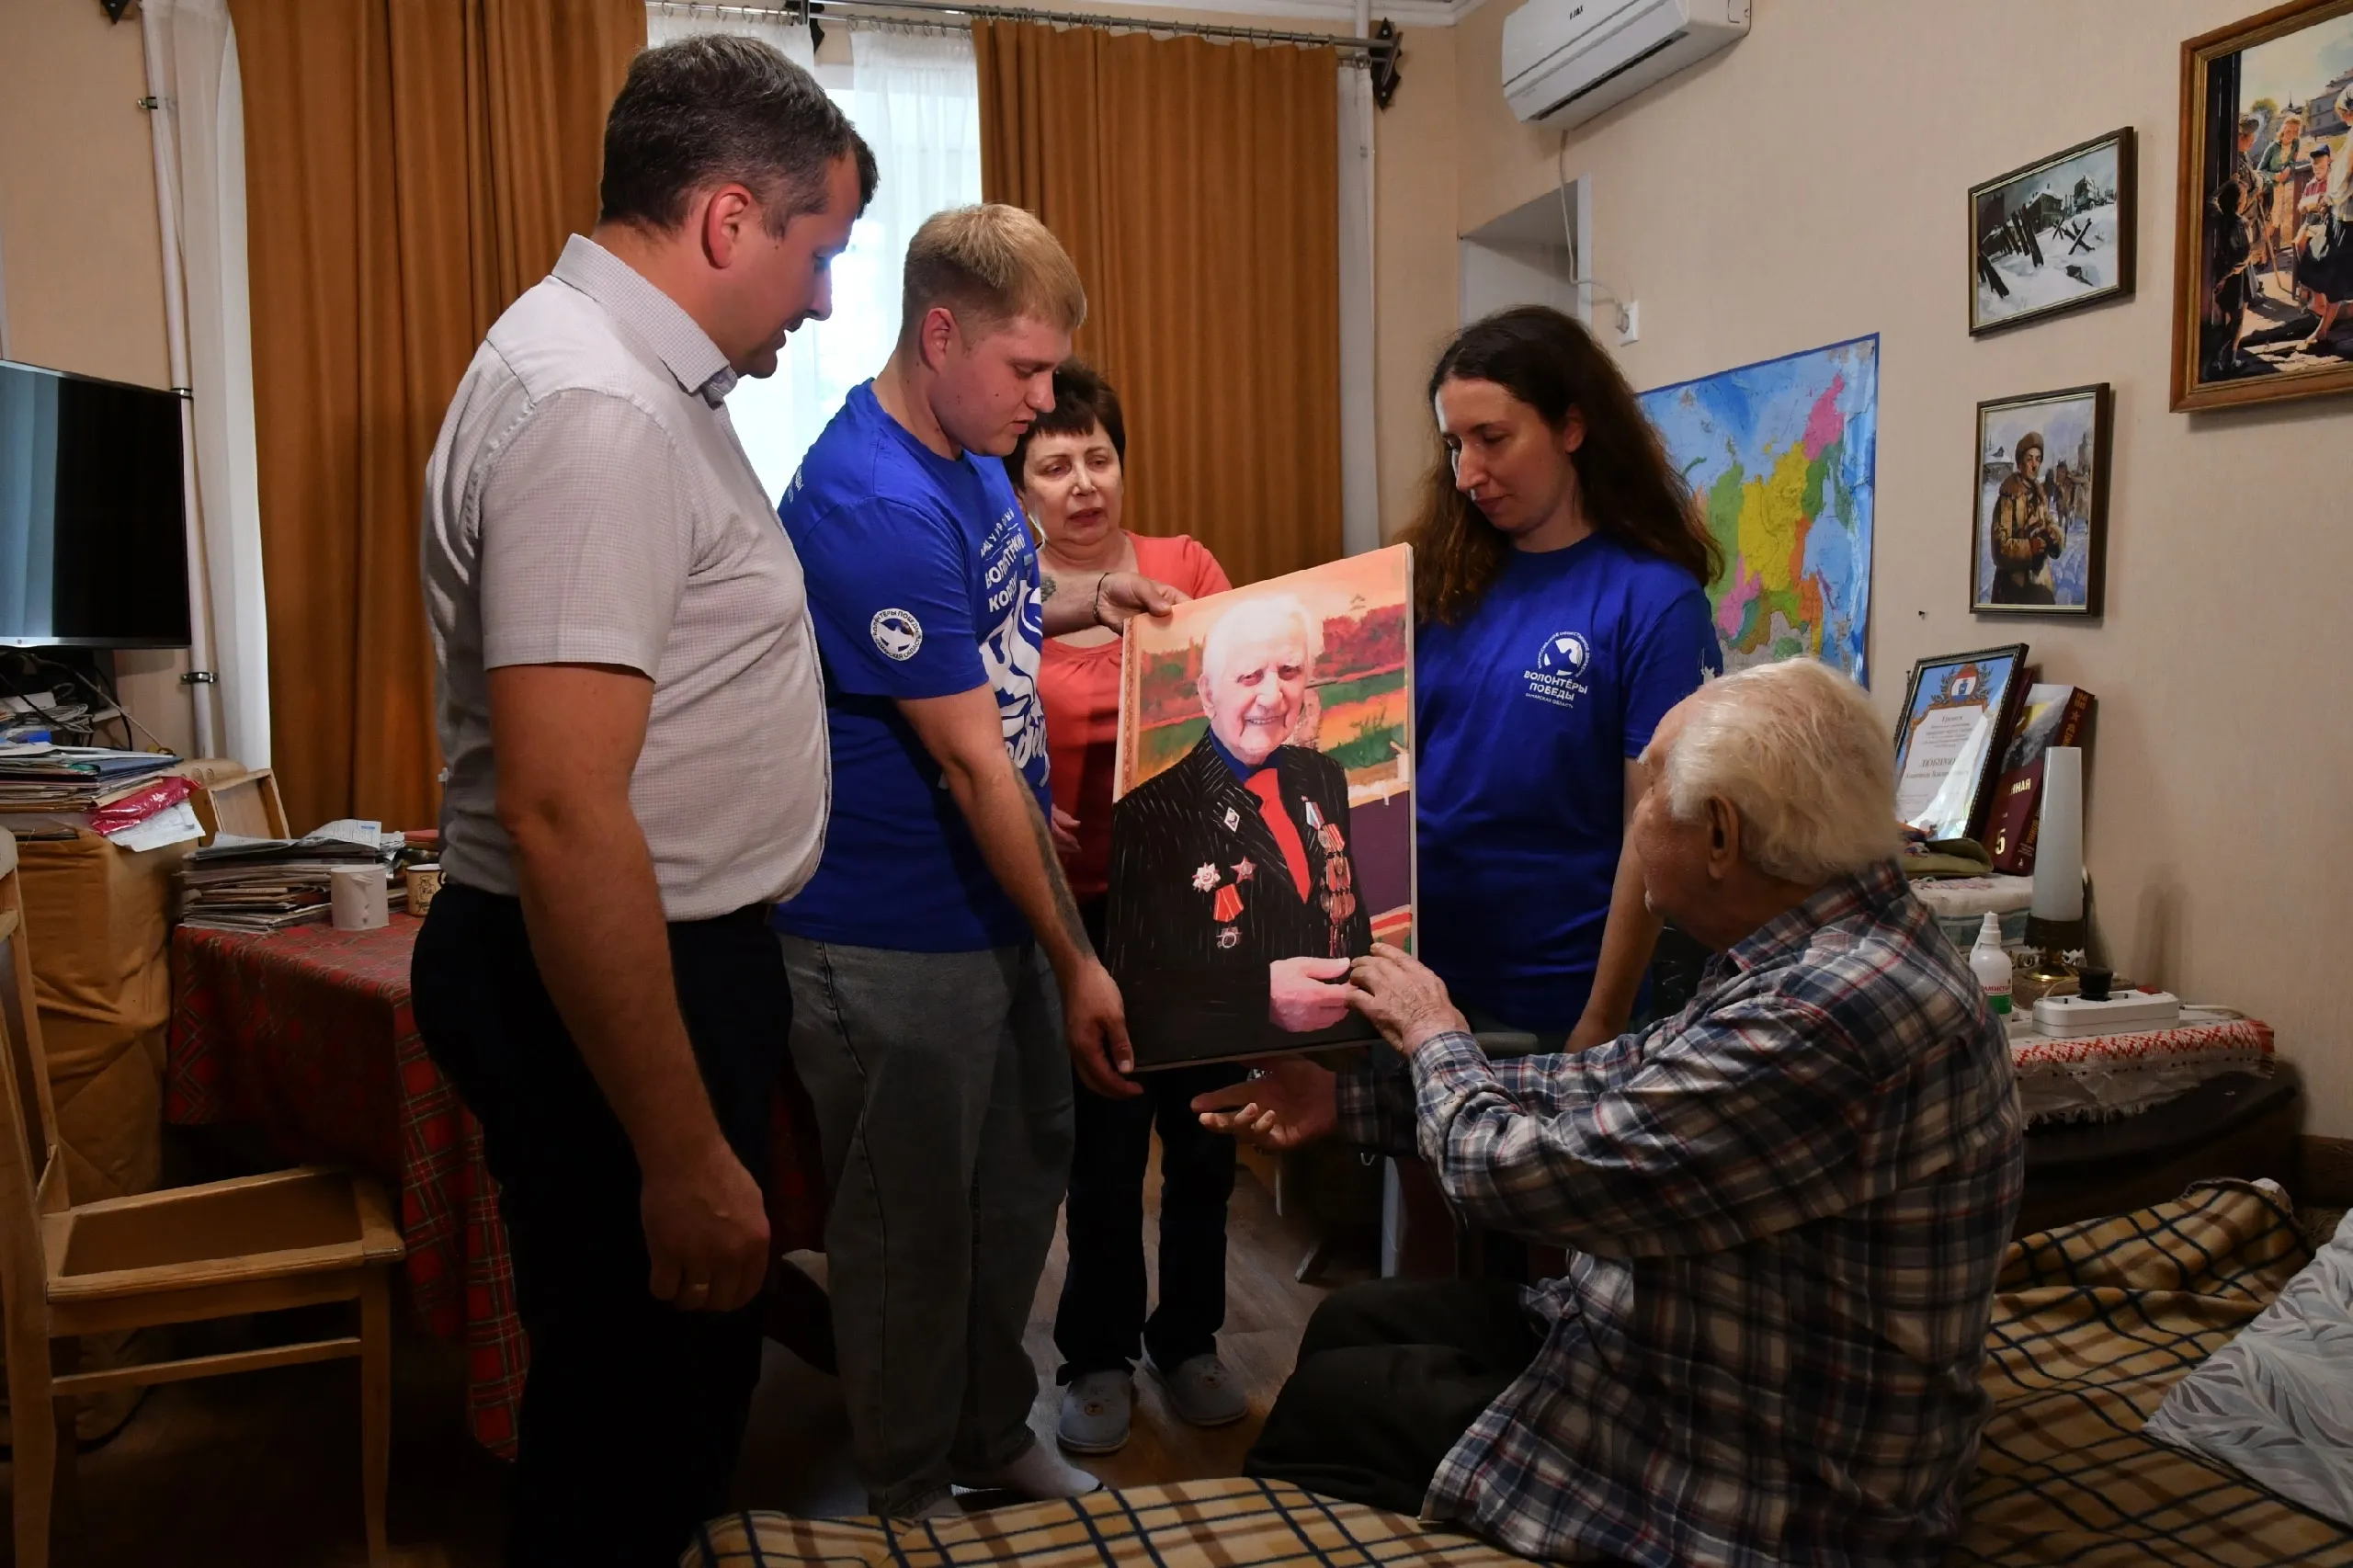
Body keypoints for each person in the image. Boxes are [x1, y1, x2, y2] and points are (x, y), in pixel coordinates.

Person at [1197, 657, 2025, 1567]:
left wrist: (1432, 1032)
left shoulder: (1830, 1010)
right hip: (1697, 1353)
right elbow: (1614, 1081)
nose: (1635, 816)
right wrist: (1347, 1100)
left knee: (1329, 1404)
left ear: (1720, 834)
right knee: (1356, 1322)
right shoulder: (1834, 942)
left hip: (1769, 1474)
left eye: (1648, 793)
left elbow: (1506, 1176)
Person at [410, 37, 872, 1568]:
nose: (822, 300)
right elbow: (561, 811)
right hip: (615, 970)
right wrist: (677, 1150)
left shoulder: (625, 376)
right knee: (637, 1413)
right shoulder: (597, 408)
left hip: (646, 951)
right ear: (730, 219)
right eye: (819, 251)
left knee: (659, 1389)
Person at [774, 205, 1185, 1520]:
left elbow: (987, 614)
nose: (1045, 399)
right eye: (1026, 369)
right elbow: (971, 763)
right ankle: (905, 1495)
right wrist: (1077, 957)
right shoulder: (872, 498)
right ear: (940, 334)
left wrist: (1090, 597)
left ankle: (989, 1430)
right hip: (887, 933)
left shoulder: (964, 452)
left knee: (1016, 1189)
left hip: (988, 908)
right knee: (909, 1234)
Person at [1004, 363, 1249, 1455]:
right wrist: (1020, 796)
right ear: (1021, 488)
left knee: (1203, 1140)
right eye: (1054, 464)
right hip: (1080, 915)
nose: (1082, 483)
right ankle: (1094, 1353)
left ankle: (1188, 1337)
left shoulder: (1183, 566)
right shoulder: (1002, 589)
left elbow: (1246, 699)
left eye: (1097, 456)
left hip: (1197, 902)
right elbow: (970, 725)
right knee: (1100, 1151)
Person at [1406, 306, 1722, 1053]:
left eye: (1492, 439)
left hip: (1554, 1006)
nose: (1466, 475)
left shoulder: (1652, 602)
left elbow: (1651, 834)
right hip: (1420, 989)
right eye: (1453, 446)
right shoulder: (1441, 583)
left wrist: (1601, 1021)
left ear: (1572, 428)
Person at [1107, 593, 1374, 1061]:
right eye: (1250, 676)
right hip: (1225, 1074)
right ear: (1208, 693)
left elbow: (1349, 920)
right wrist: (1257, 997)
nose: (1272, 695)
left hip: (1336, 1060)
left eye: (1289, 671)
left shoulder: (1324, 776)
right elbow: (1135, 991)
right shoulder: (1149, 814)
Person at [1990, 431, 2064, 605]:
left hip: (2039, 581)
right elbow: (1999, 547)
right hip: (2013, 585)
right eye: (2029, 459)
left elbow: (2050, 523)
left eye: (2038, 459)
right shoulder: (2009, 496)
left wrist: (2054, 536)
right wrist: (2030, 547)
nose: (2034, 465)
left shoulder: (2039, 495)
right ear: (2020, 463)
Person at [2292, 138, 2352, 351]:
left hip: (2343, 221)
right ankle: (2320, 314)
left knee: (2334, 268)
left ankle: (2322, 327)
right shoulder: (2315, 182)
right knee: (2315, 254)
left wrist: (2327, 200)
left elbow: (2340, 189)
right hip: (2337, 220)